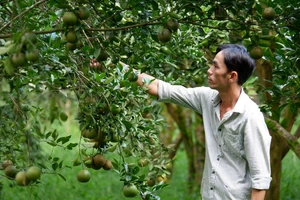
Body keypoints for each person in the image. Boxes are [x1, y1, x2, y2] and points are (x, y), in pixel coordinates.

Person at [90, 44, 272, 200]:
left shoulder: (250, 117)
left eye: (216, 67)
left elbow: (260, 179)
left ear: (232, 76)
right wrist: (113, 65)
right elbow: (160, 88)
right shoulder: (207, 99)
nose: (209, 70)